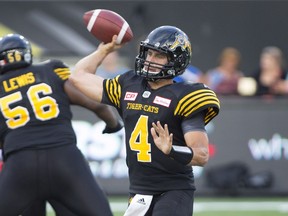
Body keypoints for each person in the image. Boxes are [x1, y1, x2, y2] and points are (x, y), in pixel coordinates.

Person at [70, 25, 220, 216]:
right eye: (149, 53)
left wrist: (171, 149)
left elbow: (201, 155)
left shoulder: (185, 97)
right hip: (139, 192)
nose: (150, 60)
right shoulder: (128, 85)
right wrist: (104, 50)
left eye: (159, 56)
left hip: (173, 190)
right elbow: (78, 76)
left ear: (176, 60)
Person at [0, 34, 123, 216]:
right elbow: (95, 103)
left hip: (21, 163)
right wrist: (113, 124)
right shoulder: (50, 70)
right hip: (64, 158)